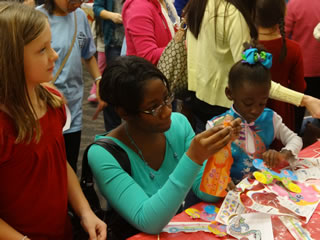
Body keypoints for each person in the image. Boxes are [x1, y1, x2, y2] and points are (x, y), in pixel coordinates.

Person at [88, 56, 241, 238]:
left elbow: (206, 191)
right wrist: (193, 158)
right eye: (154, 108)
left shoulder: (178, 124)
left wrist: (219, 154)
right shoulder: (103, 154)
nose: (167, 110)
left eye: (167, 98)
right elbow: (148, 221)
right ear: (124, 112)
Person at [0, 2, 106, 240]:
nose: (55, 55)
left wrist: (85, 211)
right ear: (12, 59)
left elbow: (59, 163)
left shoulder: (53, 101)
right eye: (42, 50)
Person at [184, 0, 320, 133]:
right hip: (226, 106)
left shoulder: (200, 5)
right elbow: (251, 76)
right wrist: (304, 99)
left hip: (199, 98)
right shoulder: (232, 14)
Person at [207, 44, 303, 184]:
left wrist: (282, 155)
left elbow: (296, 140)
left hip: (262, 189)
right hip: (229, 193)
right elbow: (207, 163)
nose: (255, 110)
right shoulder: (215, 125)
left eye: (262, 103)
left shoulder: (270, 118)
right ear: (229, 93)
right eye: (248, 103)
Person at [37, 0, 102, 172]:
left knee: (70, 163)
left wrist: (98, 80)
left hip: (73, 107)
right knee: (47, 167)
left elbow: (87, 53)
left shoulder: (79, 16)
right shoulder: (37, 18)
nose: (77, 3)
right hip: (45, 107)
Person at [256, 0, 306, 133]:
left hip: (252, 107)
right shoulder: (293, 48)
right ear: (284, 13)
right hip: (283, 109)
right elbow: (299, 87)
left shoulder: (246, 47)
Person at [93, 0, 125, 131]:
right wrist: (112, 16)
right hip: (114, 42)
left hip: (133, 41)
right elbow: (97, 8)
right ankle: (113, 134)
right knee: (114, 90)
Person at [122, 0, 180, 65]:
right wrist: (184, 47)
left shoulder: (165, 3)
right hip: (146, 73)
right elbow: (148, 56)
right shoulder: (139, 8)